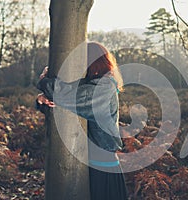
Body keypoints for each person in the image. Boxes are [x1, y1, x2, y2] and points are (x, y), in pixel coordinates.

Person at [36, 42, 128, 200]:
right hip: (90, 162)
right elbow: (66, 95)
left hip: (103, 165)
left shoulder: (104, 87)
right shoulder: (92, 83)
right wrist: (42, 99)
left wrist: (44, 81)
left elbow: (67, 95)